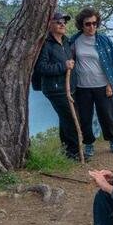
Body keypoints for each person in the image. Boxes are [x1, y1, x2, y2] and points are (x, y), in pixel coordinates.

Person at [70, 7, 113, 158]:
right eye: (88, 24)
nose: (92, 27)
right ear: (81, 25)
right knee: (85, 117)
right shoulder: (74, 41)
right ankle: (88, 144)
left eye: (94, 23)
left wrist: (111, 84)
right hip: (82, 87)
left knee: (107, 115)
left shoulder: (104, 40)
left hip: (102, 85)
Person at [33, 9, 83, 160]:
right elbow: (41, 68)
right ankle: (74, 153)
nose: (62, 24)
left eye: (64, 22)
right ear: (50, 24)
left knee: (65, 119)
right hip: (55, 89)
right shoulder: (45, 44)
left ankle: (68, 151)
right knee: (70, 119)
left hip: (68, 87)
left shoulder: (66, 42)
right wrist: (64, 66)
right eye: (58, 22)